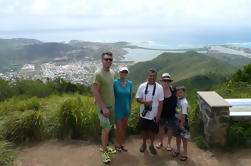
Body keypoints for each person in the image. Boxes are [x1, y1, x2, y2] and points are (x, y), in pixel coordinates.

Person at [92, 52, 116, 164]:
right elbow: (95, 90)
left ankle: (105, 146)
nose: (108, 61)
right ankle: (104, 151)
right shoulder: (98, 74)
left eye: (110, 59)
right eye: (106, 59)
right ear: (102, 60)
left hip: (111, 105)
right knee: (105, 130)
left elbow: (106, 89)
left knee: (109, 128)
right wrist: (103, 107)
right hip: (103, 108)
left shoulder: (112, 72)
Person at [136, 69, 164, 155]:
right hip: (143, 114)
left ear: (156, 77)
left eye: (153, 76)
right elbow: (137, 99)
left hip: (154, 114)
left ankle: (151, 145)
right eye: (150, 76)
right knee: (143, 130)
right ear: (147, 76)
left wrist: (159, 115)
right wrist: (145, 102)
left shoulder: (159, 88)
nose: (151, 77)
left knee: (153, 131)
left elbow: (161, 102)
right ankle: (144, 144)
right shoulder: (142, 86)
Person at [156, 73, 178, 152]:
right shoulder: (159, 90)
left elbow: (180, 98)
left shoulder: (174, 90)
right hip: (161, 114)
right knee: (161, 129)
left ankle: (168, 144)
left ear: (170, 82)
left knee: (170, 129)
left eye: (168, 81)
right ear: (161, 81)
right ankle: (160, 142)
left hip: (171, 114)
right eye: (164, 81)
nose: (166, 82)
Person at [114, 66, 132, 152]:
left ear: (127, 73)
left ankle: (122, 143)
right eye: (122, 72)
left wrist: (130, 108)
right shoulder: (115, 83)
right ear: (119, 73)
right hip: (117, 108)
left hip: (126, 108)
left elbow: (130, 97)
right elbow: (111, 95)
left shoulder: (130, 83)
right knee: (119, 128)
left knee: (124, 127)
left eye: (125, 72)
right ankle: (118, 143)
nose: (124, 74)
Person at [172, 86, 190, 161]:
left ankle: (185, 154)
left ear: (184, 92)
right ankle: (178, 150)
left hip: (183, 122)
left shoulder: (184, 102)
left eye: (181, 92)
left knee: (184, 138)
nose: (179, 94)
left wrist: (181, 124)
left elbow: (184, 114)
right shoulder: (179, 99)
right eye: (178, 92)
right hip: (177, 120)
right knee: (177, 137)